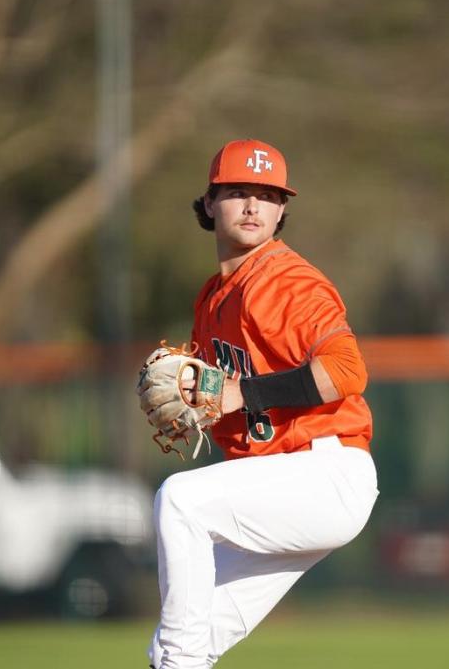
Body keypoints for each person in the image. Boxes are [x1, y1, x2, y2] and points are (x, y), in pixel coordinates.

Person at [147, 138, 378, 669]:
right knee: (181, 642)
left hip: (326, 472)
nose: (253, 207)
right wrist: (201, 404)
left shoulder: (286, 282)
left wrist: (237, 394)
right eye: (238, 192)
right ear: (208, 203)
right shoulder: (213, 298)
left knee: (180, 501)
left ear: (282, 211)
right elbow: (225, 403)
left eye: (268, 196)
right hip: (284, 482)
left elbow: (347, 370)